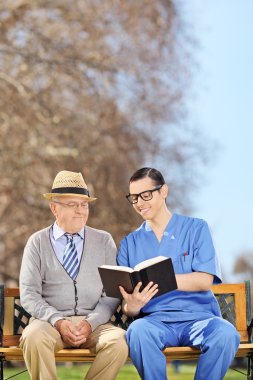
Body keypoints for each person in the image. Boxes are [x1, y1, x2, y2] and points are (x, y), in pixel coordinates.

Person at [117, 167, 240, 380]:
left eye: (146, 195)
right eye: (134, 197)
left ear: (163, 191)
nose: (139, 203)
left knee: (227, 333)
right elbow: (127, 305)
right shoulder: (129, 243)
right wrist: (132, 307)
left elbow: (204, 280)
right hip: (155, 322)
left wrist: (163, 278)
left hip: (200, 319)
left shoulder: (197, 228)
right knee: (137, 331)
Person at [19, 170, 128, 380]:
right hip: (49, 324)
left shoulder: (104, 241)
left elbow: (111, 294)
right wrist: (58, 321)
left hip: (94, 324)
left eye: (84, 205)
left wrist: (91, 323)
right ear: (54, 208)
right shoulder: (37, 242)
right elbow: (30, 294)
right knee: (32, 336)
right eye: (72, 205)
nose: (80, 211)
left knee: (120, 340)